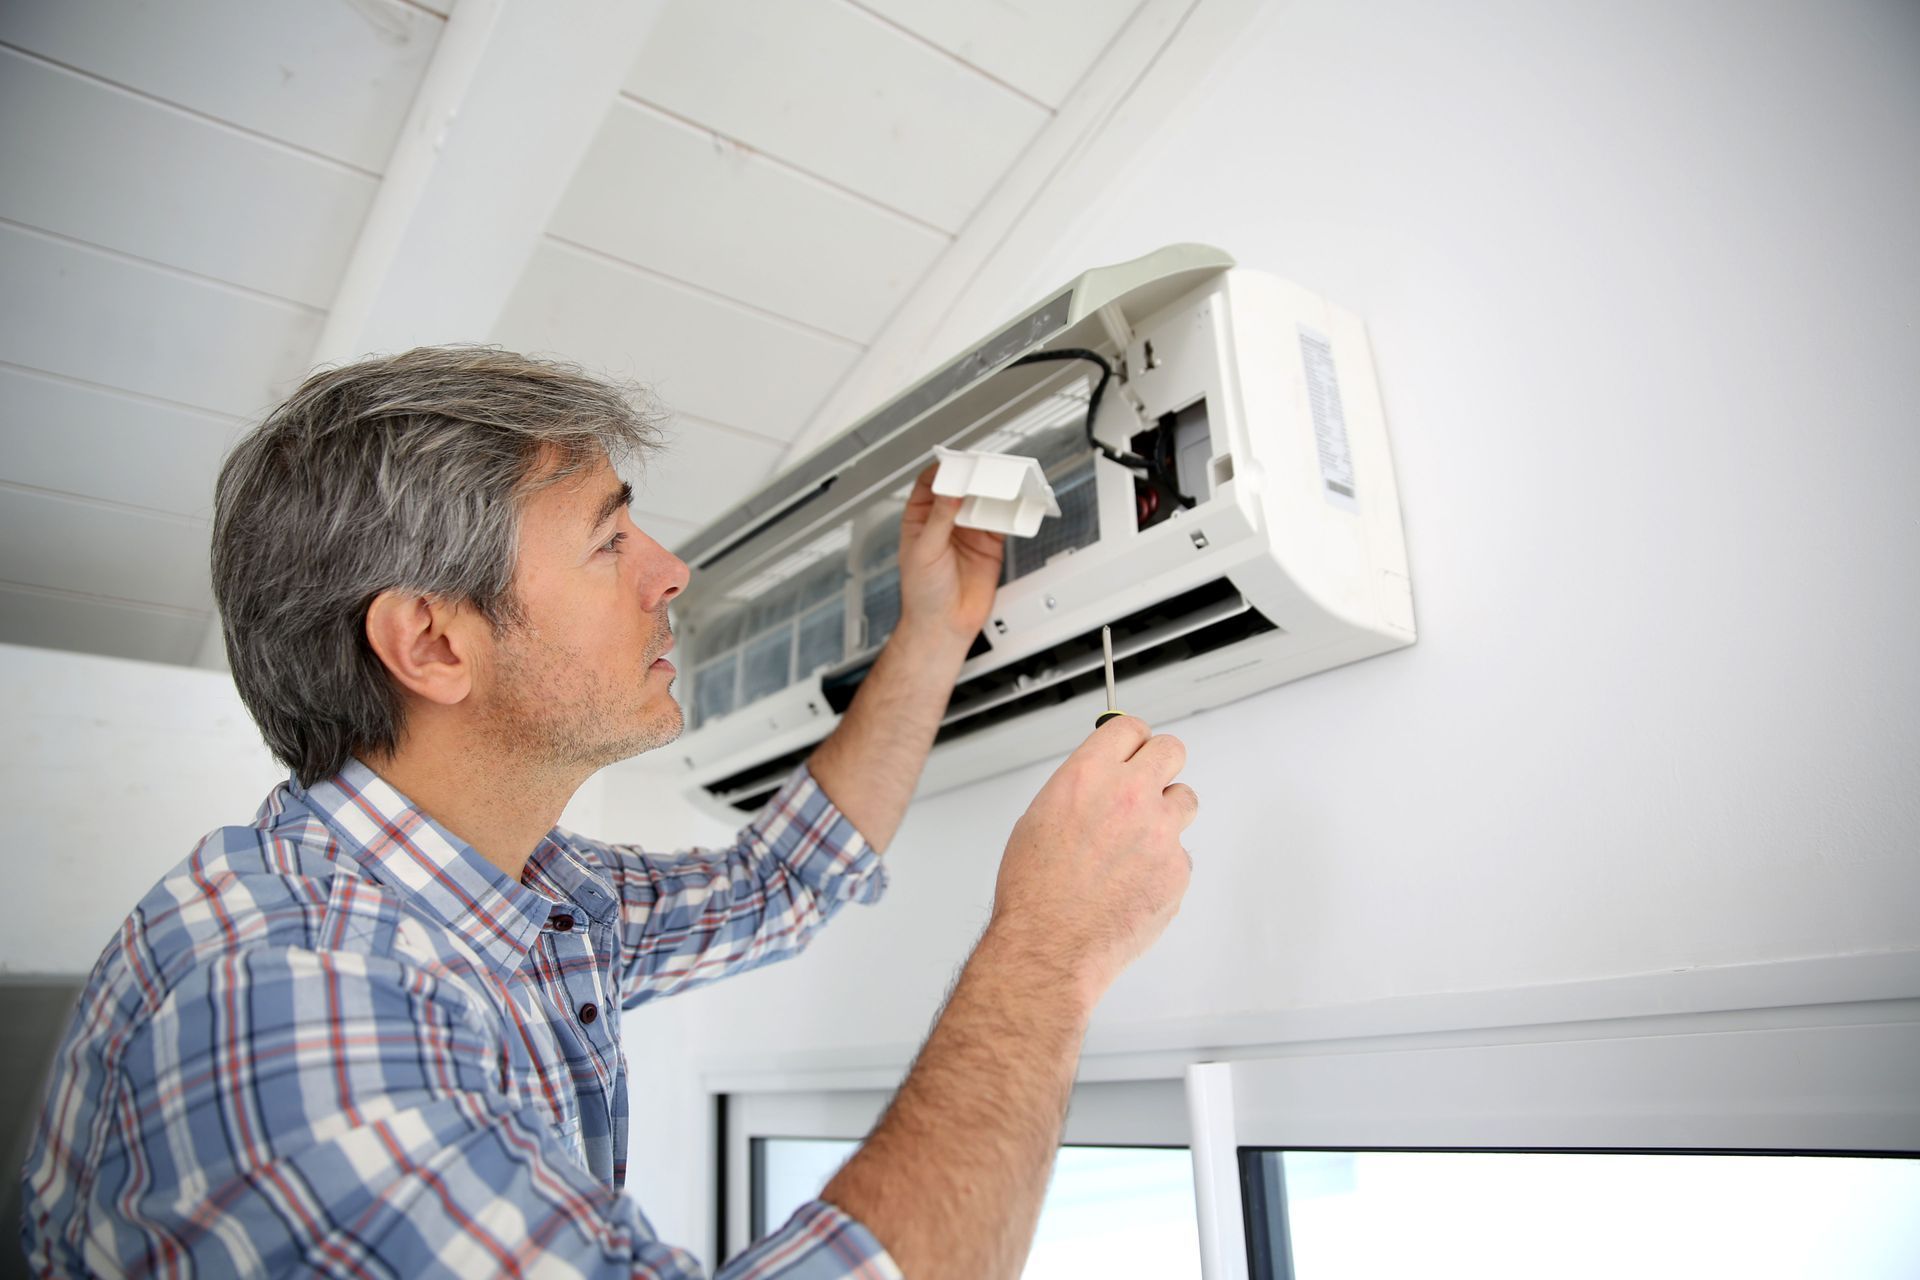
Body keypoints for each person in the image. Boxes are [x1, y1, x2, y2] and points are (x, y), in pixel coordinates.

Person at [19, 346, 1197, 1279]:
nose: (668, 569)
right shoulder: (287, 993)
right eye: (607, 539)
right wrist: (1048, 954)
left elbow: (778, 886)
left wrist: (935, 628)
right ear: (433, 641)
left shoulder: (517, 890)